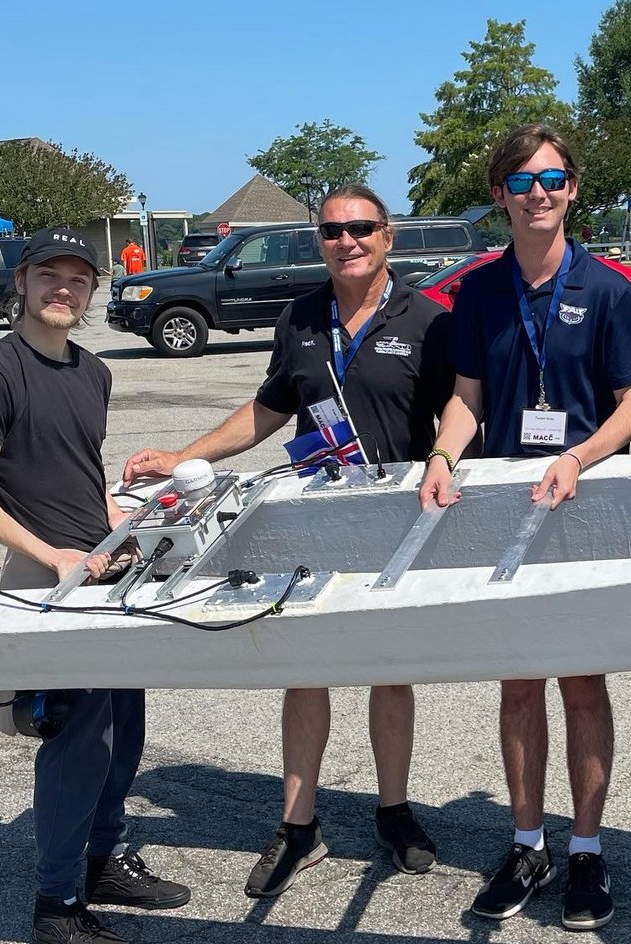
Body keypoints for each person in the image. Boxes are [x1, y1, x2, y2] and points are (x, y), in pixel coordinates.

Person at [122, 184, 455, 898]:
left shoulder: (429, 320)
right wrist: (188, 455)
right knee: (305, 667)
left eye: (361, 228)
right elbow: (269, 409)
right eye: (333, 232)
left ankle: (394, 811)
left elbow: (459, 418)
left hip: (392, 519)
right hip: (314, 514)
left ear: (387, 236)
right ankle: (299, 826)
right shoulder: (301, 317)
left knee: (388, 668)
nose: (347, 242)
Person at [418, 123, 631, 932]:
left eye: (551, 180)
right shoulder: (479, 291)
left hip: (582, 498)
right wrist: (443, 454)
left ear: (573, 188)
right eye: (521, 183)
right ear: (500, 197)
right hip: (507, 500)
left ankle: (585, 850)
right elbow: (467, 395)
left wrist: (581, 456)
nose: (538, 195)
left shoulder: (611, 288)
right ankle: (527, 843)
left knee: (583, 682)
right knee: (518, 682)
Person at [0, 228, 192, 944]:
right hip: (47, 578)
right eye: (48, 274)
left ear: (91, 291)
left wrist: (115, 514)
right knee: (78, 739)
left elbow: (70, 467)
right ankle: (56, 910)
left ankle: (100, 860)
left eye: (78, 278)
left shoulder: (91, 371)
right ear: (20, 282)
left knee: (125, 728)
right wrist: (49, 553)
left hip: (101, 567)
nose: (63, 288)